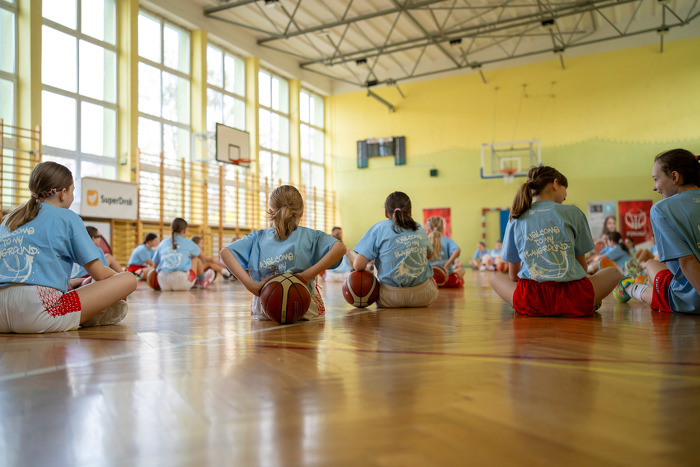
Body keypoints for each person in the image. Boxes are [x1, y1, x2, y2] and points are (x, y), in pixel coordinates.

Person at [0, 161, 137, 333]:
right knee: (128, 279)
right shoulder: (67, 217)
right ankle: (92, 313)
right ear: (63, 193)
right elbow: (100, 274)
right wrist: (116, 285)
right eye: (73, 190)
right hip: (39, 312)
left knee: (79, 285)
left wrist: (68, 283)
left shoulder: (10, 219)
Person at [489, 166, 621, 317]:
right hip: (574, 299)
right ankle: (592, 301)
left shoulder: (516, 217)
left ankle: (538, 307)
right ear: (555, 183)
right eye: (565, 189)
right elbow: (583, 269)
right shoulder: (574, 213)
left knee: (495, 278)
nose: (565, 195)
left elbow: (513, 276)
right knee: (614, 272)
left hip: (530, 301)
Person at [220, 185, 346, 321]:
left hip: (264, 306)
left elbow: (225, 252)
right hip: (305, 307)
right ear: (302, 211)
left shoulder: (257, 237)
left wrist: (252, 286)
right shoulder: (311, 236)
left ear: (270, 211)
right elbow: (340, 248)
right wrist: (306, 275)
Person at [614, 149, 700, 314]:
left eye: (656, 179)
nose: (654, 187)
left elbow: (688, 263)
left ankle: (628, 287)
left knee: (652, 267)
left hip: (691, 298)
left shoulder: (662, 209)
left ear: (675, 176)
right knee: (653, 265)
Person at [353, 191, 438, 308]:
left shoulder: (379, 228)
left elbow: (358, 265)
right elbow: (429, 254)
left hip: (389, 298)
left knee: (377, 265)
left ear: (386, 213)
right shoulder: (418, 227)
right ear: (410, 212)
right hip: (424, 297)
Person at [152, 218, 215, 291]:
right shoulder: (189, 243)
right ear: (185, 230)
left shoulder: (162, 243)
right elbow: (202, 257)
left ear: (171, 229)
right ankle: (202, 281)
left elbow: (155, 266)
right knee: (196, 259)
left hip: (163, 282)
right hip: (181, 281)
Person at [425, 216, 464, 287]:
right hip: (447, 279)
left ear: (428, 229)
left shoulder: (424, 241)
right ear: (443, 229)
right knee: (462, 270)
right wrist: (446, 266)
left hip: (429, 280)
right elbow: (457, 250)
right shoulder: (447, 240)